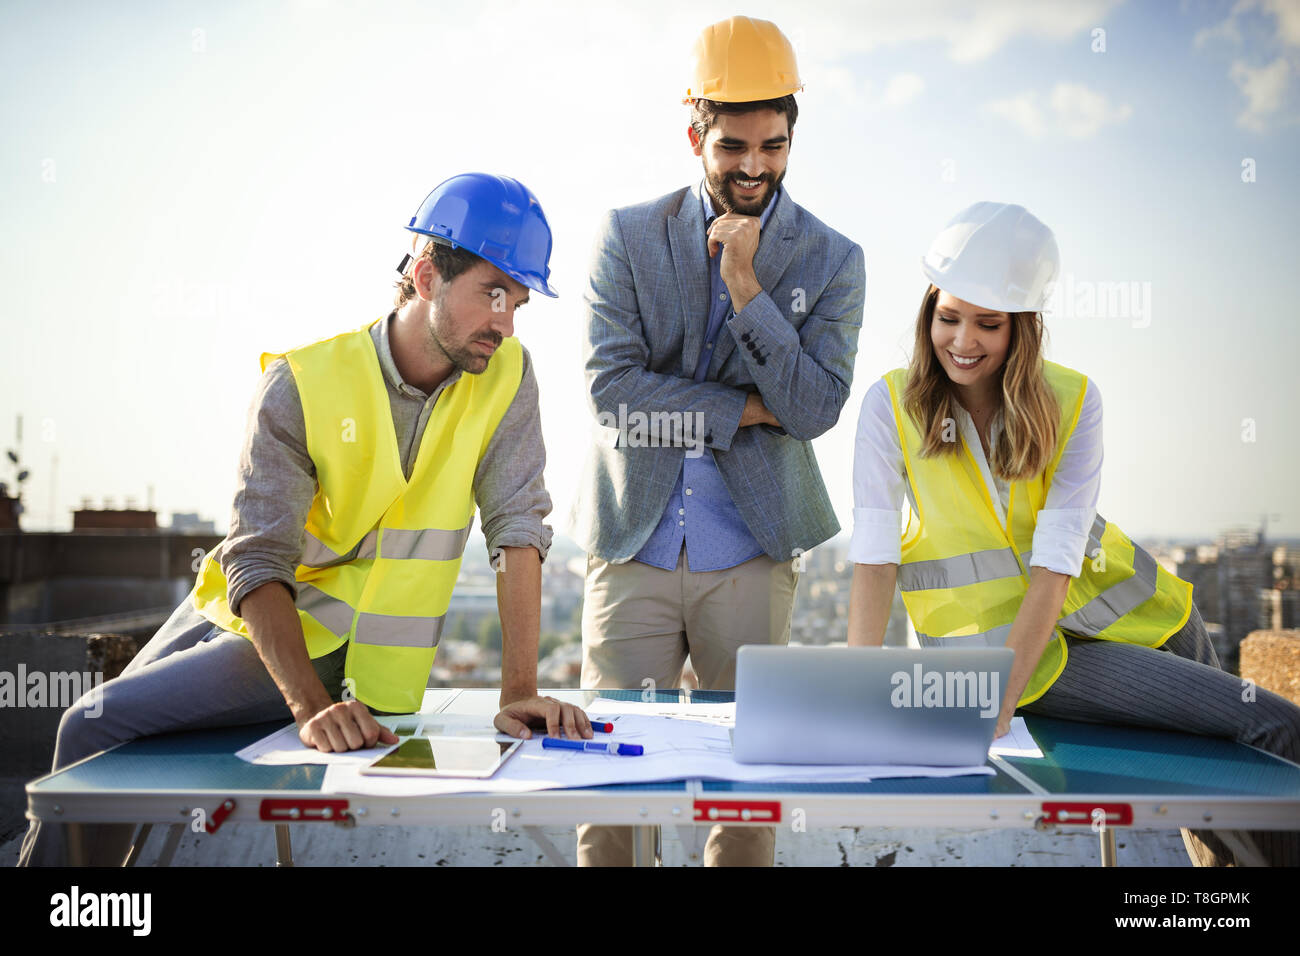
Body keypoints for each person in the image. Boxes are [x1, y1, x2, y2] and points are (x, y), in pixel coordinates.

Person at [19, 172, 591, 867]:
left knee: (91, 728)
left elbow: (518, 528)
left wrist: (521, 692)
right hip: (272, 631)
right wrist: (310, 707)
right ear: (427, 275)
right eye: (493, 295)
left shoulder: (505, 376)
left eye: (518, 304)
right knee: (92, 731)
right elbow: (256, 562)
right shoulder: (303, 386)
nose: (505, 322)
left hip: (361, 664)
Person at [846, 200, 1300, 866]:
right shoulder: (891, 407)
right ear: (928, 311)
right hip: (1026, 659)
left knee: (1222, 797)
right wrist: (862, 694)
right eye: (948, 317)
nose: (963, 341)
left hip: (1156, 618)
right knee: (1277, 728)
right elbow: (875, 557)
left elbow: (1056, 563)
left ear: (1023, 328)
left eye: (988, 324)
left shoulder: (1076, 400)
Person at [571, 16, 866, 867]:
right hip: (634, 541)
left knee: (747, 786)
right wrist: (744, 409)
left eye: (772, 145)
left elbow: (812, 410)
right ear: (695, 133)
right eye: (733, 144)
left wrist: (745, 287)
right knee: (612, 784)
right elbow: (613, 396)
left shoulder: (833, 259)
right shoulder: (627, 236)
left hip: (752, 548)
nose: (753, 165)